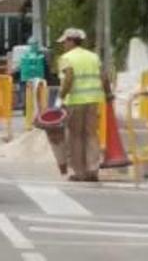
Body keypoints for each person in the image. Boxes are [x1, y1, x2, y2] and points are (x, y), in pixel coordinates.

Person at [56, 28, 113, 182]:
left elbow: (68, 79)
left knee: (75, 137)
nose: (63, 45)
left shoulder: (66, 58)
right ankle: (93, 170)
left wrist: (60, 98)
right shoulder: (93, 57)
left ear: (70, 41)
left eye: (64, 42)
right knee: (91, 135)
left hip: (75, 101)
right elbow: (104, 76)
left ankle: (79, 172)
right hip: (93, 100)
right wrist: (108, 94)